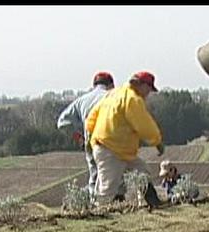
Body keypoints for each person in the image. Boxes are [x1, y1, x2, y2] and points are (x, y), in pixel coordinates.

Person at [86, 71, 164, 209]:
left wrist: (95, 135)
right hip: (111, 149)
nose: (148, 93)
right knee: (108, 187)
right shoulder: (133, 99)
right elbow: (143, 124)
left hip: (113, 148)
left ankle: (154, 202)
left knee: (142, 171)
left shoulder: (113, 93)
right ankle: (98, 213)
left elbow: (91, 119)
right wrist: (157, 141)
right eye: (149, 89)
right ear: (142, 85)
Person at [57, 72, 115, 198]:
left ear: (94, 85)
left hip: (89, 138)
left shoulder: (81, 100)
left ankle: (93, 203)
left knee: (94, 174)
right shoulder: (112, 96)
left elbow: (62, 122)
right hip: (110, 139)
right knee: (114, 175)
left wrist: (78, 137)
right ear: (110, 84)